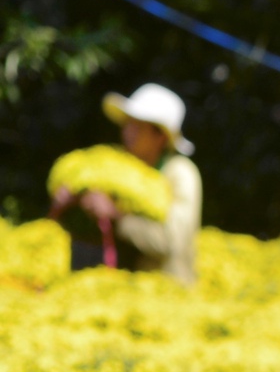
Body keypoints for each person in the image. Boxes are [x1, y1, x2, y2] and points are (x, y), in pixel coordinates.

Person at [62, 83, 202, 284]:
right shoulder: (119, 168)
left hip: (167, 292)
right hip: (122, 289)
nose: (128, 132)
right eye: (127, 124)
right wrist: (75, 198)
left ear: (160, 136)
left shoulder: (181, 173)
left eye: (138, 127)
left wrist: (117, 216)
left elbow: (171, 241)